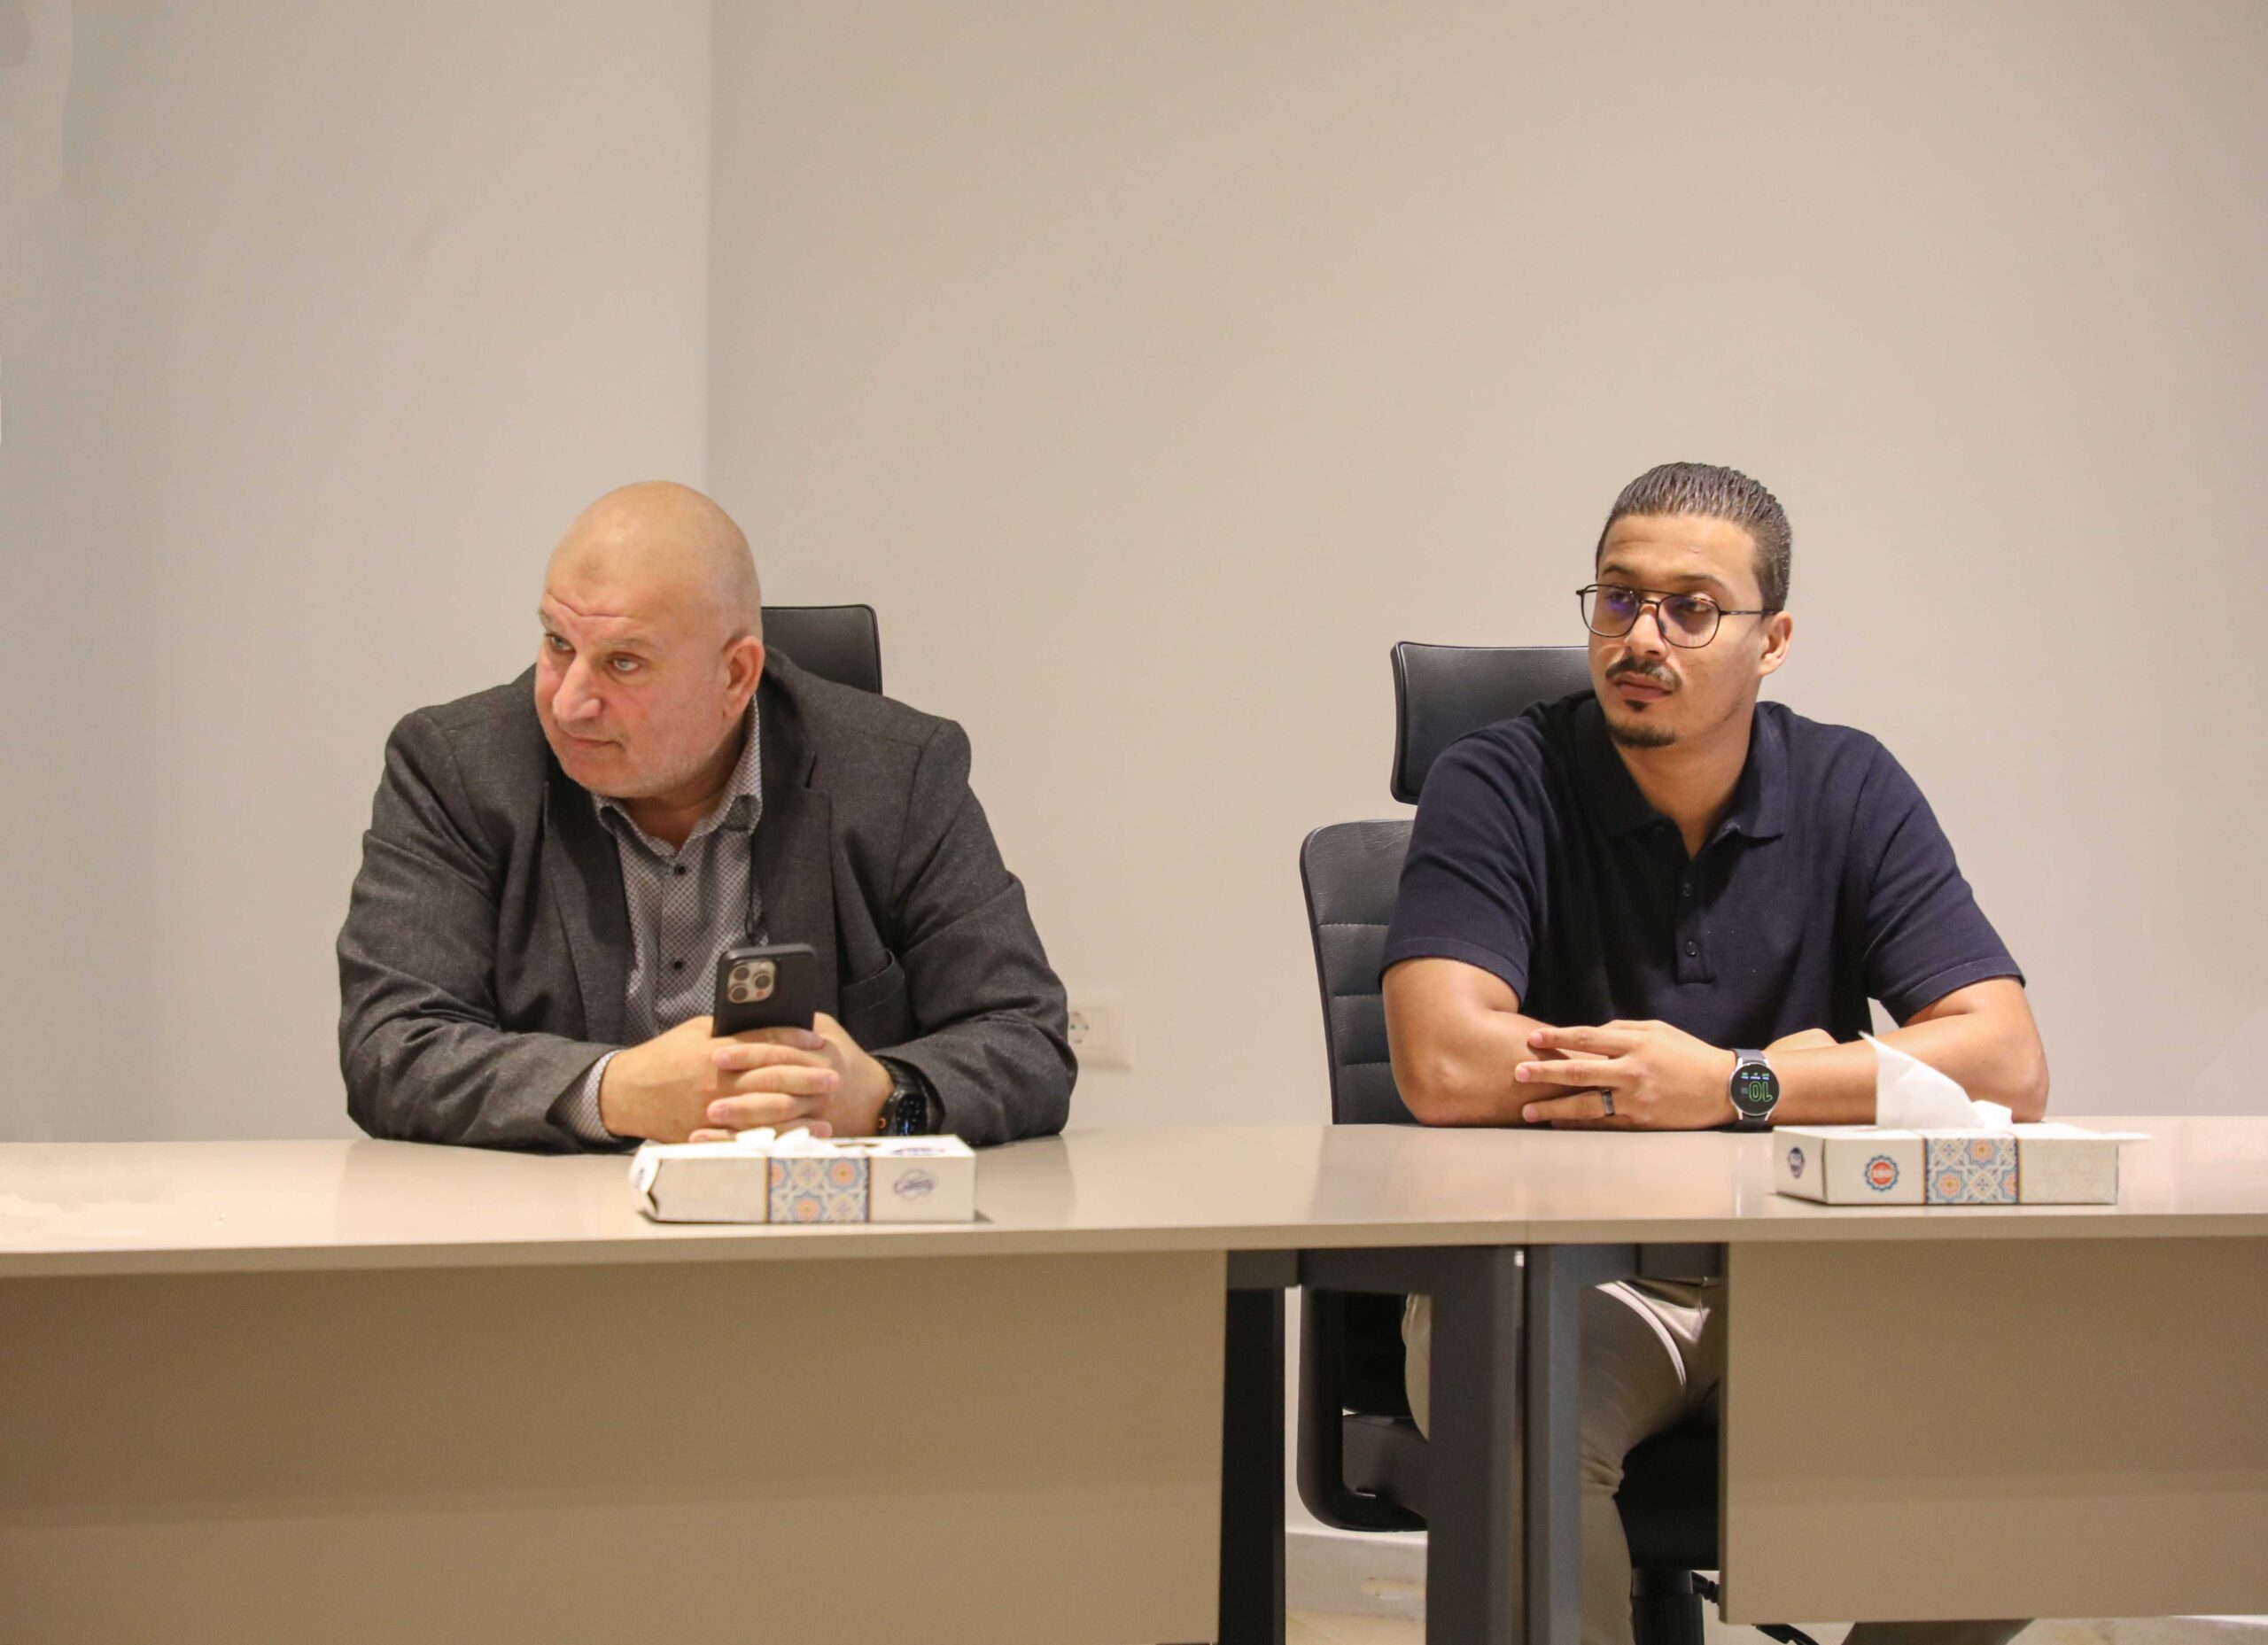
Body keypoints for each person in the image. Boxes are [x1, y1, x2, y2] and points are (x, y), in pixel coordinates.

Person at [1382, 462, 2046, 1645]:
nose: (1642, 637)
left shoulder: (1848, 785)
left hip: (1798, 1275)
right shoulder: (1496, 779)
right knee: (1522, 1422)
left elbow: (2005, 1061)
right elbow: (1443, 1058)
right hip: (1566, 1276)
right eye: (1617, 598)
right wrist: (1835, 1077)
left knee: (2019, 1442)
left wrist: (1731, 1084)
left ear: (1771, 640)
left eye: (1691, 609)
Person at [338, 481, 1074, 1150]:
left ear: (735, 674)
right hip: (557, 1230)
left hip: (817, 1233)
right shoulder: (458, 769)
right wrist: (617, 1092)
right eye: (559, 643)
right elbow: (390, 1047)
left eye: (624, 662)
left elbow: (1026, 1038)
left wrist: (881, 1097)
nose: (568, 702)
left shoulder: (896, 774)